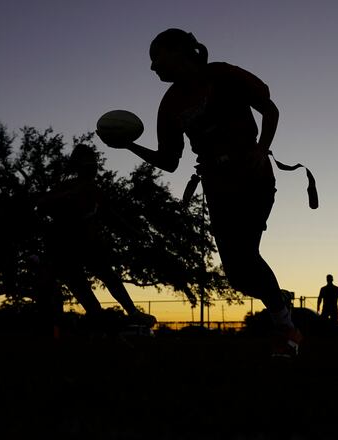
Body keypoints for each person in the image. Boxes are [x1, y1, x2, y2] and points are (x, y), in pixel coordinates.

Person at [97, 28, 301, 357]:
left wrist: (261, 150)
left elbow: (269, 109)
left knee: (247, 255)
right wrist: (129, 145)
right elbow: (169, 161)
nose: (153, 67)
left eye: (156, 57)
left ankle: (286, 329)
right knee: (237, 276)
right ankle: (277, 299)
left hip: (252, 179)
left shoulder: (222, 74)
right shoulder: (170, 104)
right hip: (217, 188)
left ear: (179, 51)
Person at [37, 144, 156, 332]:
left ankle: (131, 312)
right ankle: (84, 326)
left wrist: (133, 231)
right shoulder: (66, 186)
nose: (93, 169)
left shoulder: (95, 190)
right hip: (64, 247)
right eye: (88, 165)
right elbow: (42, 206)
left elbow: (110, 215)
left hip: (88, 245)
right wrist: (68, 196)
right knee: (84, 292)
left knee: (109, 276)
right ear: (79, 167)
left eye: (94, 164)